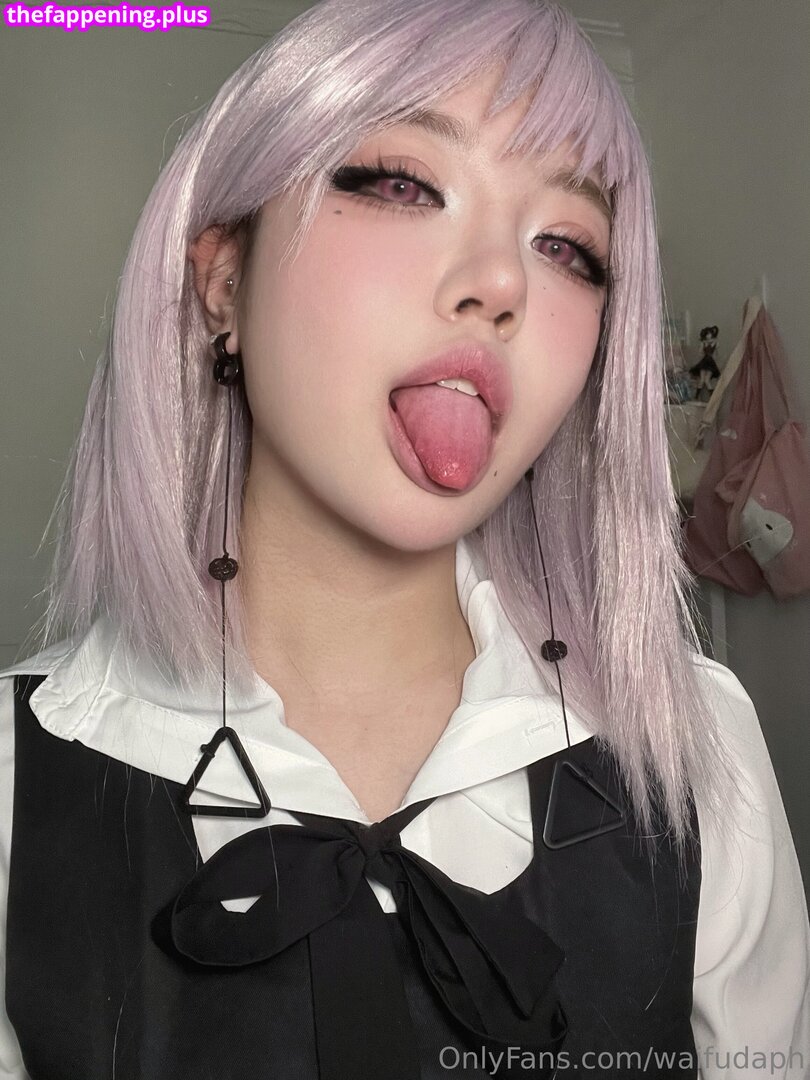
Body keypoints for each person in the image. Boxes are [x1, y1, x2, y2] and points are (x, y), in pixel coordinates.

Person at [1, 0, 808, 1076]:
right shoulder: (15, 787)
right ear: (224, 280)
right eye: (402, 184)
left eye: (567, 246)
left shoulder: (700, 749)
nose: (505, 283)